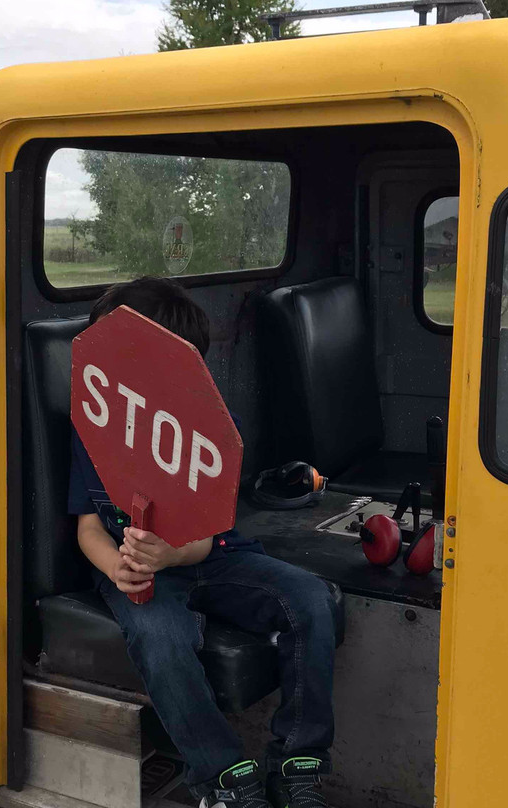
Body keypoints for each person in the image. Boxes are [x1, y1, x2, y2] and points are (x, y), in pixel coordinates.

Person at [68, 277, 338, 808]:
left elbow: (209, 537)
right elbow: (88, 528)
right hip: (136, 571)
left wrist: (172, 553)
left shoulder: (216, 429)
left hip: (211, 557)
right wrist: (119, 569)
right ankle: (223, 777)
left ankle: (297, 762)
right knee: (161, 637)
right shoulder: (92, 425)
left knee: (310, 600)